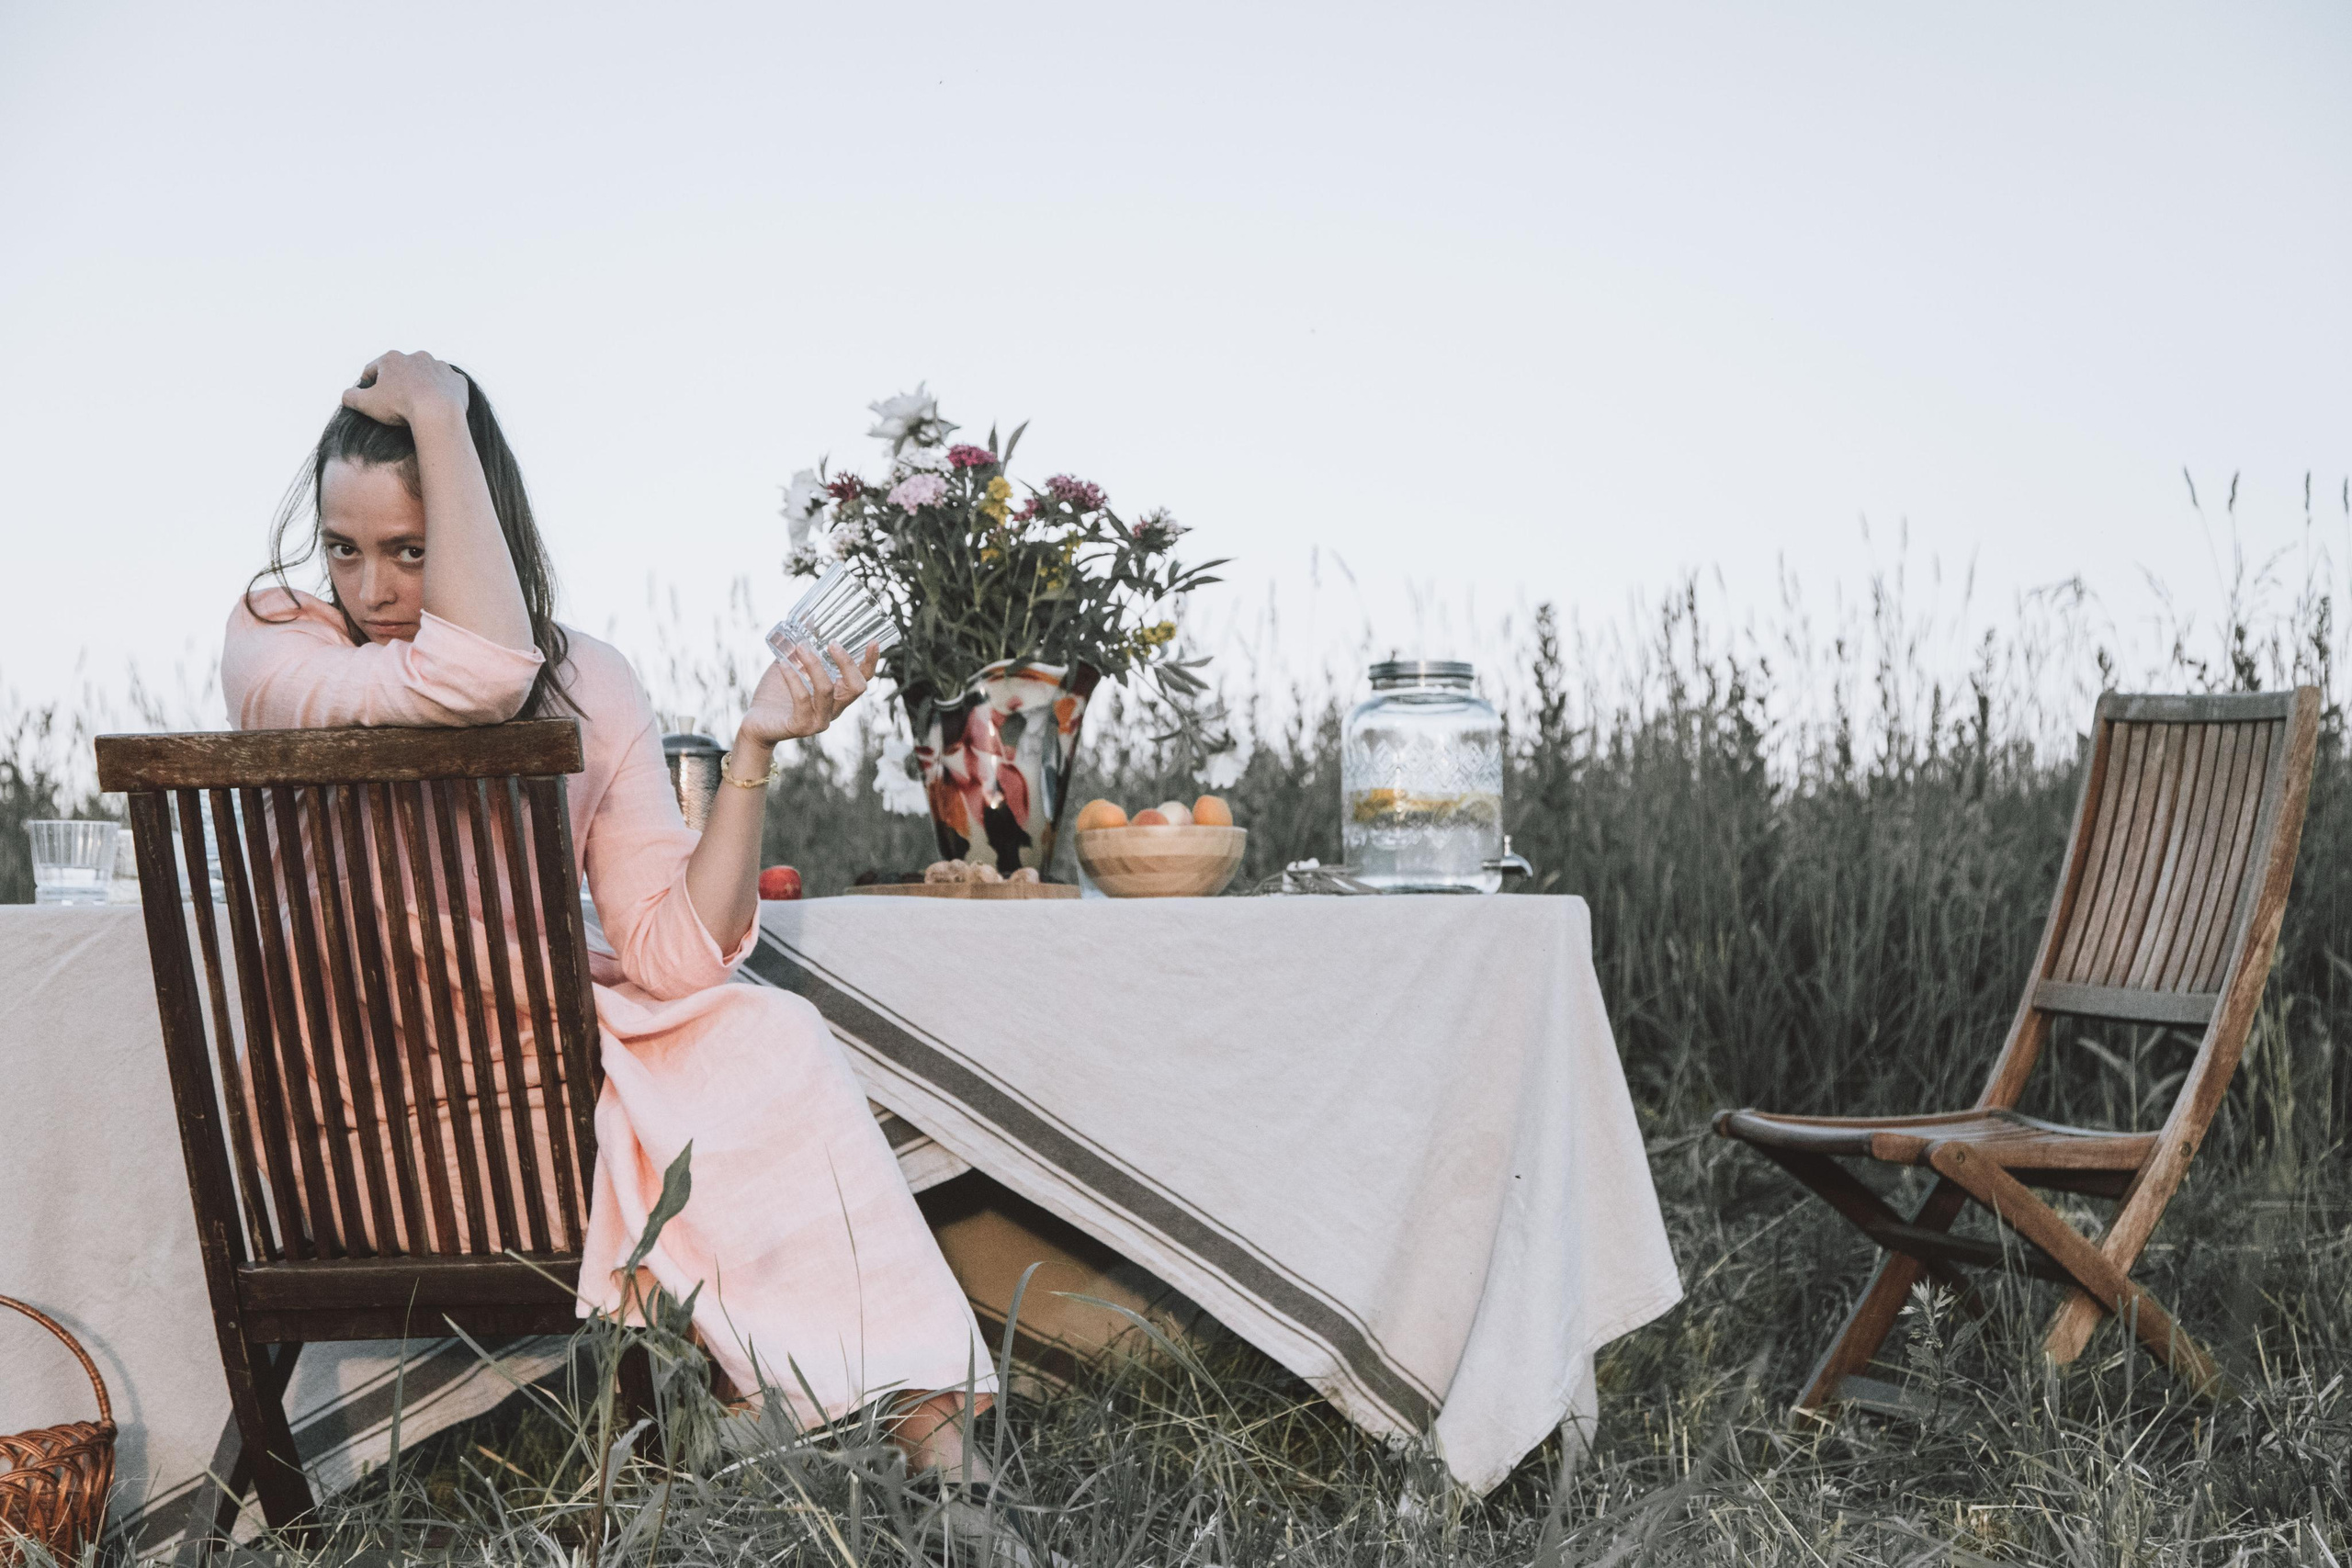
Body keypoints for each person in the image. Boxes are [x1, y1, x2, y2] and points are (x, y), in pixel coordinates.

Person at [221, 349, 994, 1480]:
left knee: (766, 1031)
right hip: (379, 1147)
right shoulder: (277, 640)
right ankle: (772, 1401)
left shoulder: (590, 680)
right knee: (691, 1081)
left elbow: (677, 960)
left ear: (481, 524)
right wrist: (439, 408)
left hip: (543, 1124)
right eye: (346, 548)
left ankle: (933, 1448)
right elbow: (479, 670)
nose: (373, 589)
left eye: (411, 551)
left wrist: (752, 749)